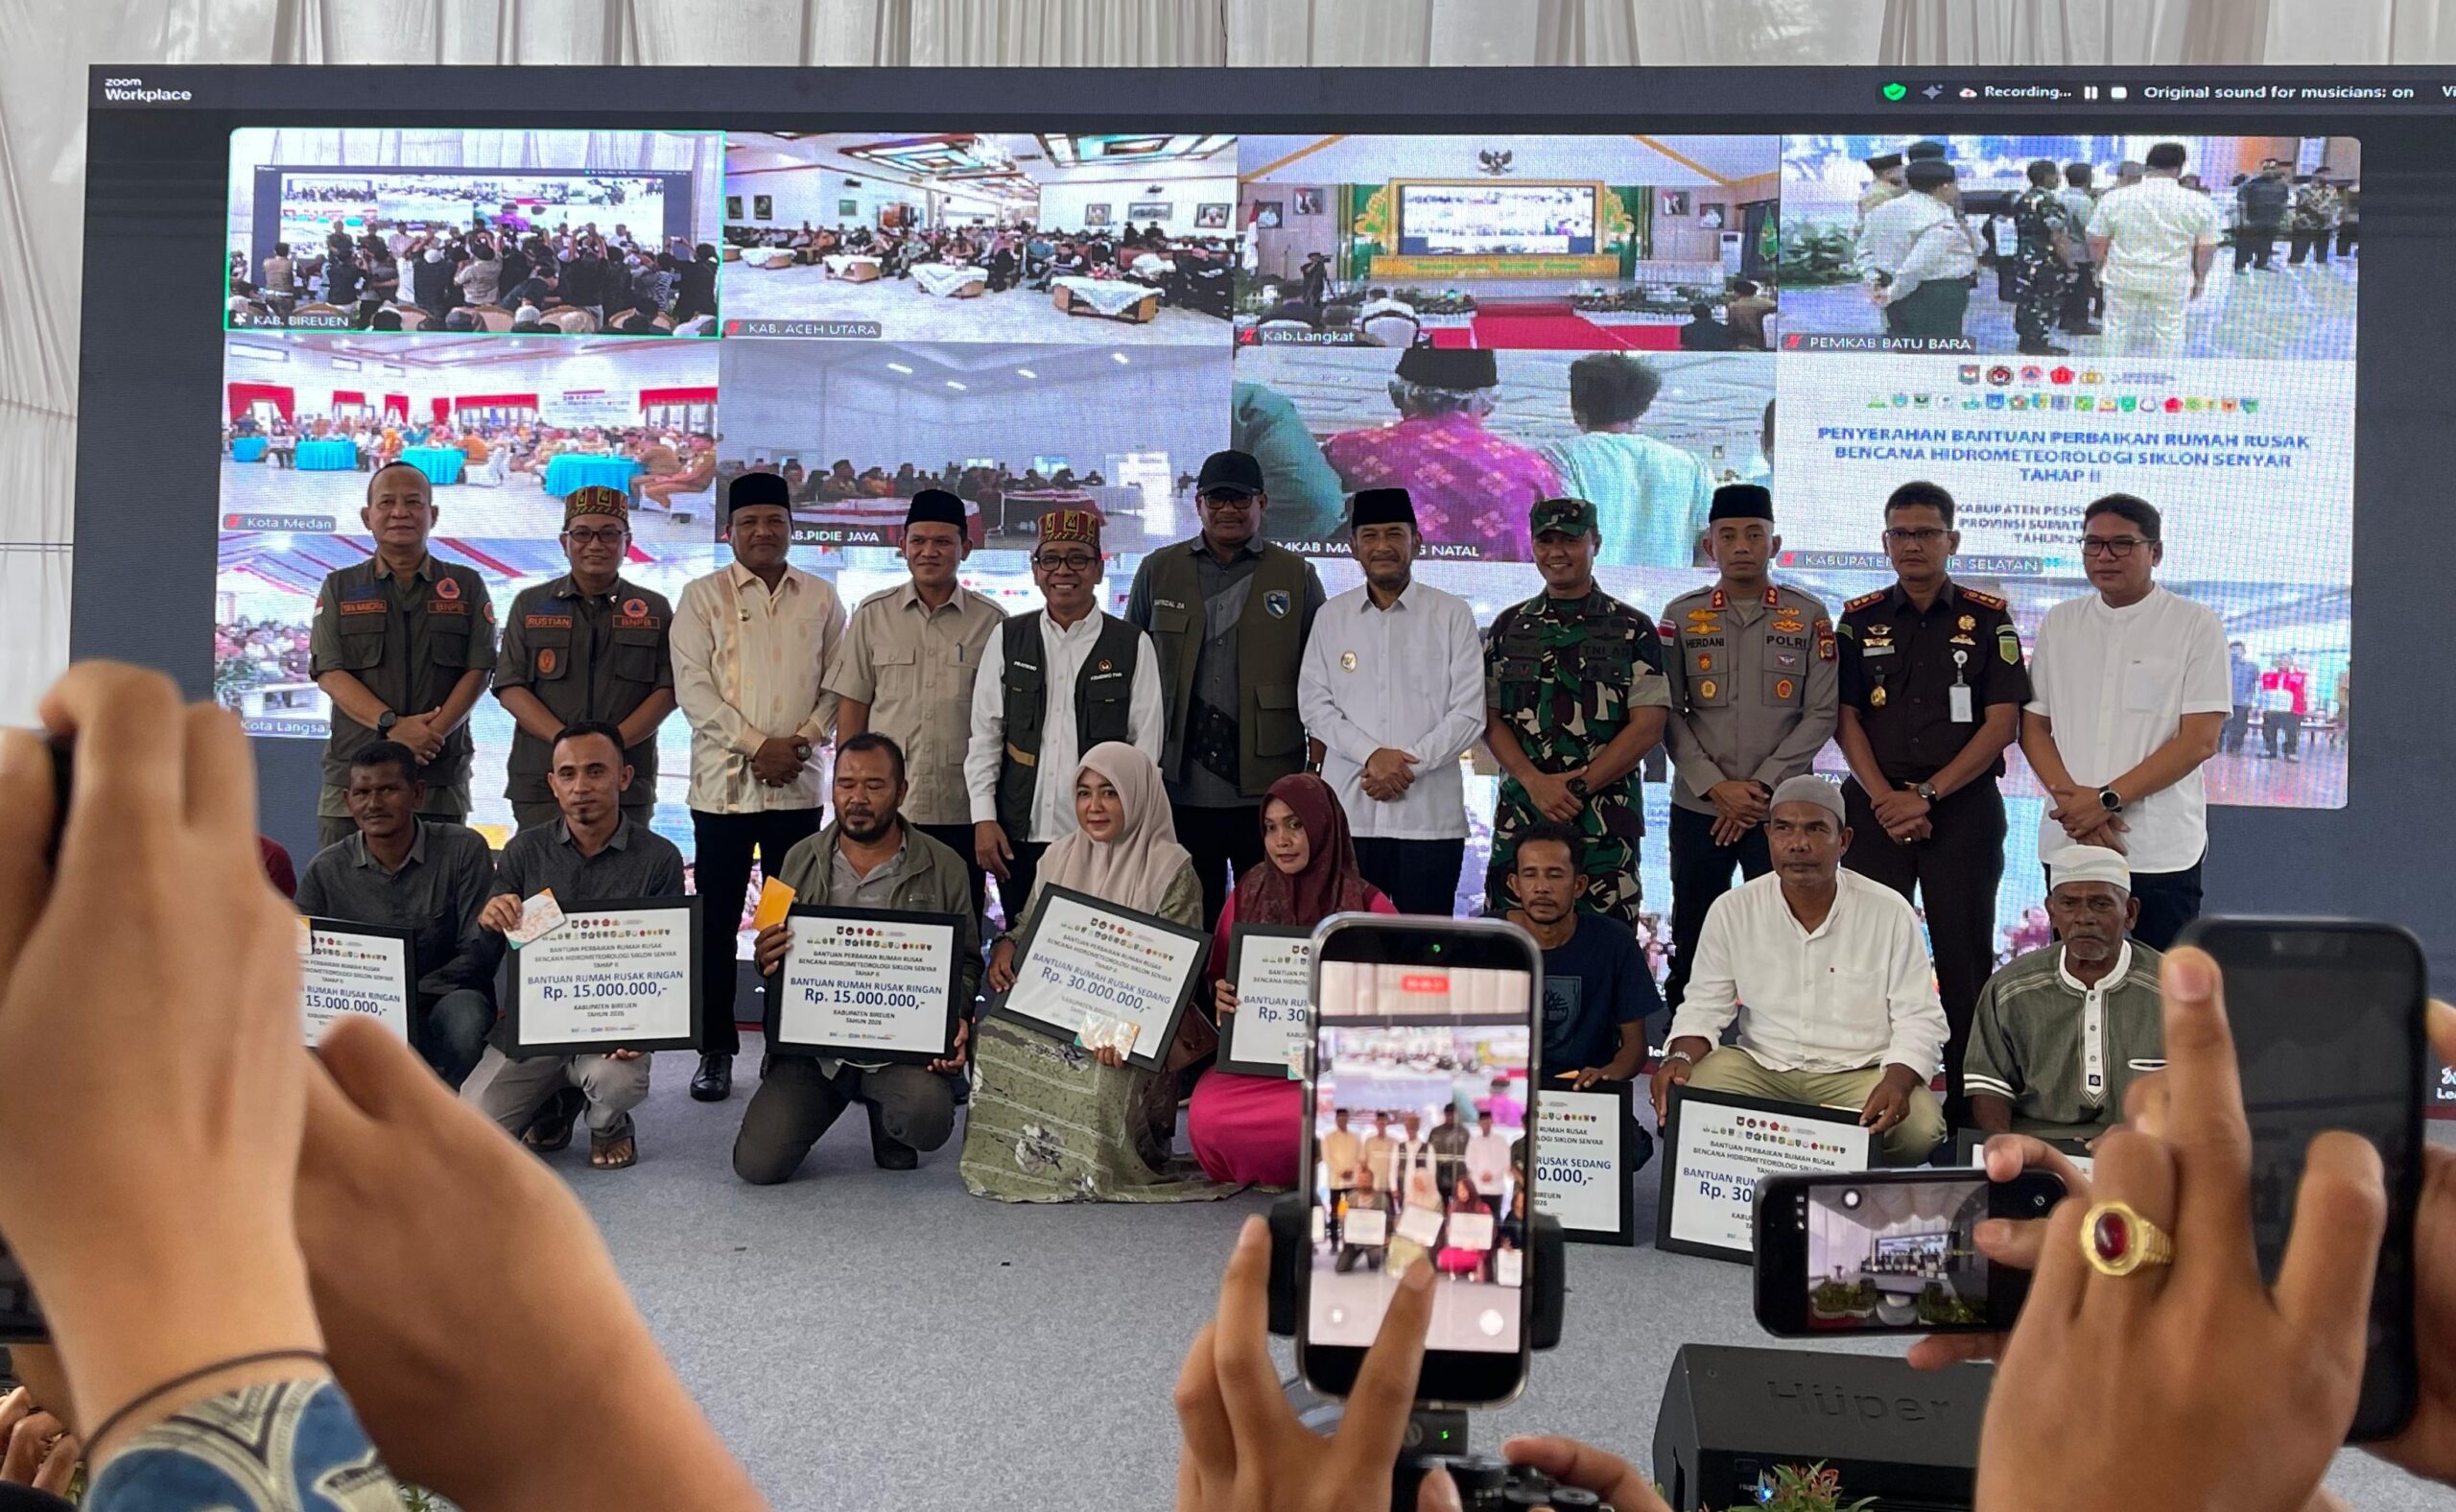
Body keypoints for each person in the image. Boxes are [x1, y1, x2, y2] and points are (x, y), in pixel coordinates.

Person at [961, 744, 1239, 1203]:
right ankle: (1021, 1164)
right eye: (1084, 793)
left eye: (1110, 792)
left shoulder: (1172, 869)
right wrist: (1008, 943)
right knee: (993, 1037)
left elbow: (1176, 974)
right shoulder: (1058, 856)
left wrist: (1125, 1028)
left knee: (1106, 1070)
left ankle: (1095, 1167)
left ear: (1137, 794)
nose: (1094, 806)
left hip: (1138, 1025)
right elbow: (1031, 924)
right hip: (1065, 1008)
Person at [1833, 481, 2028, 1119]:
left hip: (1962, 809)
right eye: (1900, 533)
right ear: (1885, 541)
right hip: (1873, 810)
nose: (1912, 545)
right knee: (1865, 960)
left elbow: (2002, 723)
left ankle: (1969, 1113)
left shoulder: (1988, 618)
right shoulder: (1858, 619)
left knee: (1963, 959)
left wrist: (1925, 795)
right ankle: (1864, 1100)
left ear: (1952, 540)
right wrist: (1886, 799)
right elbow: (1844, 719)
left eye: (1925, 533)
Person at [1653, 776, 1948, 1167]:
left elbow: (1919, 1018)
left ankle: (1833, 1178)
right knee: (1686, 1098)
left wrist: (1897, 1080)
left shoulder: (1889, 911)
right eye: (1784, 829)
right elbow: (1704, 1006)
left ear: (1844, 841)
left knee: (1919, 1130)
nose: (1798, 844)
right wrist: (1678, 1057)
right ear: (1768, 837)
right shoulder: (1733, 909)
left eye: (1816, 829)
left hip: (1859, 1072)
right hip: (1762, 1067)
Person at [671, 471, 846, 1102]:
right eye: (749, 522)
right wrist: (757, 746)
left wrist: (799, 744)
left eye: (774, 521)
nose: (763, 532)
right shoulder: (701, 597)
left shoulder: (821, 597)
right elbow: (693, 690)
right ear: (730, 532)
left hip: (794, 796)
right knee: (717, 925)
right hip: (722, 796)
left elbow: (839, 682)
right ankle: (716, 1050)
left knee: (785, 922)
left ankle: (783, 1046)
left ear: (792, 528)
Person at [734, 734, 980, 1183]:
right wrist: (766, 958)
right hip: (815, 1055)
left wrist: (956, 1016)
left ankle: (887, 1117)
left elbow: (965, 963)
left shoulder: (945, 866)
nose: (858, 798)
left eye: (874, 785)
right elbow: (765, 950)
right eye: (846, 784)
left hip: (900, 1050)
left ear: (901, 791)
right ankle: (834, 1097)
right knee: (758, 1167)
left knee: (926, 1119)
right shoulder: (796, 858)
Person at [461, 723, 687, 1170]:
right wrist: (490, 919)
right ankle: (554, 1105)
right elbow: (488, 943)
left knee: (616, 1083)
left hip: (613, 1028)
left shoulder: (658, 857)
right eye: (568, 774)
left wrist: (643, 1030)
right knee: (471, 1126)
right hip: (535, 1028)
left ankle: (609, 1125)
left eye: (595, 771)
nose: (580, 786)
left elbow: (670, 961)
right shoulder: (523, 851)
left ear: (624, 777)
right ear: (553, 784)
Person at [1126, 449, 1328, 929]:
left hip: (1267, 788)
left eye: (1240, 499)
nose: (1228, 510)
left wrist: (1315, 769)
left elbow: (1322, 675)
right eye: (1216, 499)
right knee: (1185, 919)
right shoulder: (1158, 569)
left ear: (1262, 503)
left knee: (1271, 915)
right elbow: (1132, 665)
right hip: (1177, 784)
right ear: (1198, 504)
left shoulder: (1296, 574)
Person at [2019, 494, 2229, 949]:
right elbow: (2034, 727)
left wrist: (2106, 801)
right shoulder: (2061, 623)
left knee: (2159, 979)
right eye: (2093, 544)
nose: (2105, 556)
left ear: (2155, 552)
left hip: (2158, 846)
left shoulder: (2195, 624)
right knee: (2074, 974)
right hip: (2071, 840)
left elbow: (2200, 739)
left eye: (2121, 544)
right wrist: (2077, 807)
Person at [1660, 484, 1838, 1010]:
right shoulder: (1682, 615)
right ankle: (1686, 1038)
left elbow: (1821, 713)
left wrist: (1758, 790)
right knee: (1694, 933)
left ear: (1774, 544)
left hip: (1781, 813)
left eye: (1755, 535)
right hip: (1701, 808)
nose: (1742, 546)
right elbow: (1666, 710)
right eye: (1729, 535)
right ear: (1709, 545)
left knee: (1784, 933)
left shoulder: (1808, 615)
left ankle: (1782, 1038)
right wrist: (1717, 788)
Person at [1186, 774, 1395, 1187]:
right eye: (1270, 827)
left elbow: (1401, 1002)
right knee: (1208, 1116)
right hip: (1262, 1066)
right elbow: (1222, 976)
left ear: (1322, 825)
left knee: (1364, 1113)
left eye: (1295, 825)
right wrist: (1223, 996)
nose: (1282, 840)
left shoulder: (1368, 905)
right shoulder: (1248, 892)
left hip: (1342, 1068)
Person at [965, 509, 1165, 931]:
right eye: (1050, 559)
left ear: (1098, 569)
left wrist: (1129, 834)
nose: (1063, 571)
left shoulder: (1131, 644)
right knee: (1020, 948)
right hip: (1017, 836)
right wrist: (984, 817)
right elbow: (985, 735)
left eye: (1077, 558)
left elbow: (1145, 751)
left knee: (1091, 948)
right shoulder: (1009, 637)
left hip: (1101, 841)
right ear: (1035, 569)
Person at [1483, 497, 1670, 933]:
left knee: (1607, 943)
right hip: (1524, 817)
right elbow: (1490, 720)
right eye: (1545, 541)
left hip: (1604, 822)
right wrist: (1534, 783)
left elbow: (1648, 726)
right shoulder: (1509, 627)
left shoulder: (1633, 628)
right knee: (1513, 944)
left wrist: (1577, 787)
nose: (1556, 552)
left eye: (1569, 540)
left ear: (1595, 543)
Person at [1296, 487, 1484, 916]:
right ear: (1353, 546)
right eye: (1370, 535)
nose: (1383, 546)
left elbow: (1469, 713)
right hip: (1350, 817)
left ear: (1417, 542)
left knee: (1425, 944)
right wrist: (1372, 756)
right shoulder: (1331, 617)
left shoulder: (1451, 614)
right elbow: (1314, 705)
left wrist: (1404, 768)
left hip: (1430, 821)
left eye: (1395, 534)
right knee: (1352, 942)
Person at [824, 488, 1004, 927]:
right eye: (919, 541)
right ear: (902, 545)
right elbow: (853, 709)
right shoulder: (873, 615)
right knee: (880, 923)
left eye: (943, 542)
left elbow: (1001, 723)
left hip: (960, 807)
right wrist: (849, 794)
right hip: (887, 809)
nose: (929, 552)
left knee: (956, 927)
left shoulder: (992, 622)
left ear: (966, 548)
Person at [307, 461, 496, 850]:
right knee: (342, 882)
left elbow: (479, 669)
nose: (400, 512)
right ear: (367, 517)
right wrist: (392, 725)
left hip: (437, 775)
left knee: (441, 881)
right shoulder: (340, 587)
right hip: (355, 779)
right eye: (387, 502)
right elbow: (329, 670)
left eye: (413, 502)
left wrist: (429, 735)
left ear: (433, 515)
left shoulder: (465, 585)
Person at [292, 742, 501, 1089]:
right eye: (362, 793)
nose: (374, 804)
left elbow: (479, 952)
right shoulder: (325, 870)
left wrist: (405, 996)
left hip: (442, 998)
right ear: (347, 801)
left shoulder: (463, 850)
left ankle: (452, 1114)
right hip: (360, 1007)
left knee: (467, 1017)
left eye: (388, 790)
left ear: (417, 794)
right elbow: (301, 959)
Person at [491, 486, 674, 833]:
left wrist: (608, 750)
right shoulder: (530, 604)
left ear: (627, 542)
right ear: (565, 542)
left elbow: (667, 691)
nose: (595, 544)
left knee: (622, 867)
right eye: (582, 534)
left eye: (609, 534)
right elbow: (510, 685)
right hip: (543, 780)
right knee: (542, 868)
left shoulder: (654, 609)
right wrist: (569, 748)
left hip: (624, 781)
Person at [1964, 847, 2162, 1143]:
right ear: (2052, 912)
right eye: (2069, 904)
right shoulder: (2010, 988)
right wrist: (2006, 1150)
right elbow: (1989, 1088)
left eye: (2101, 904)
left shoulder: (2172, 989)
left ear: (2130, 913)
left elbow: (2202, 1093)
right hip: (2035, 1144)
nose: (2084, 918)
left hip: (2142, 1145)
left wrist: (2141, 1135)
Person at [1319, 345, 1560, 561]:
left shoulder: (1347, 450)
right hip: (1500, 594)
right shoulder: (1533, 468)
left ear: (1398, 395)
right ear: (1488, 403)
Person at [1505, 822, 1656, 1099]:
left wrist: (1607, 1075)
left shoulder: (1614, 941)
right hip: (1505, 1092)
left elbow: (1635, 1049)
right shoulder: (1490, 939)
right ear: (1515, 885)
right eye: (1530, 875)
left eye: (1555, 875)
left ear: (1579, 885)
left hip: (1585, 1091)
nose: (1542, 888)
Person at [1536, 353, 1714, 569]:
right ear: (1639, 411)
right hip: (1670, 588)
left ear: (1576, 410)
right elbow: (1711, 548)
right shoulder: (1692, 466)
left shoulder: (1558, 457)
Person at [2089, 141, 2221, 360]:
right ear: (2180, 168)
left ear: (2148, 165)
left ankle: (2111, 374)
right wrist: (2200, 278)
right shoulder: (2199, 202)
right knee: (2170, 331)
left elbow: (2096, 240)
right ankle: (2167, 376)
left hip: (2122, 274)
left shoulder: (2115, 198)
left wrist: (2098, 266)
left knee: (2116, 327)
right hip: (2172, 277)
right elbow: (2207, 248)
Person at [1861, 157, 1976, 342]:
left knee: (1903, 344)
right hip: (1934, 295)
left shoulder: (1881, 211)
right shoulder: (1937, 218)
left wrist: (1873, 280)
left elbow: (1864, 249)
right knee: (1939, 350)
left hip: (1893, 286)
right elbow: (1916, 266)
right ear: (1945, 187)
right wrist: (1891, 293)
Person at [2011, 159, 2076, 356]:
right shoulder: (2049, 202)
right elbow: (2057, 236)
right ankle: (2039, 343)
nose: (2058, 178)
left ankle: (2026, 340)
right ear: (2046, 177)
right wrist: (2070, 263)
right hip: (2045, 260)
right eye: (2055, 174)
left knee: (2027, 300)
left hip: (2024, 259)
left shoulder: (2022, 199)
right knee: (2044, 302)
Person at [2057, 161, 2107, 335]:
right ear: (2087, 179)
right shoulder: (2083, 202)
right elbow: (2090, 228)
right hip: (2080, 251)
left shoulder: (2060, 197)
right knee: (2081, 289)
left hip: (2063, 249)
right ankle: (2079, 323)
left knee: (2067, 289)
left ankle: (2065, 319)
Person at [2233, 158, 2290, 273]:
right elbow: (2242, 204)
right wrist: (2244, 219)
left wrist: (2283, 219)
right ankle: (2240, 266)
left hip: (2271, 220)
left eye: (2272, 168)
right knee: (2245, 244)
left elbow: (2283, 204)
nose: (2268, 171)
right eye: (2265, 168)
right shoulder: (2249, 184)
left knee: (2267, 243)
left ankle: (2262, 263)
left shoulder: (2282, 186)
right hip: (2252, 220)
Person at [2260, 653, 2310, 762]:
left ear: (2290, 662)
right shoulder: (2268, 675)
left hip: (2293, 709)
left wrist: (2307, 706)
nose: (2283, 663)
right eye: (2281, 661)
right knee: (2269, 729)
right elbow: (2263, 691)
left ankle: (2290, 752)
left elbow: (2306, 691)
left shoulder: (2299, 676)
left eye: (2286, 661)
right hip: (2272, 708)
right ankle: (2270, 750)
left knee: (2292, 731)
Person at [2289, 167, 2343, 266]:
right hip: (2305, 225)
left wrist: (2332, 218)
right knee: (2297, 257)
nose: (2327, 177)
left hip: (2324, 226)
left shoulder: (2331, 189)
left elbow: (2334, 204)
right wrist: (2322, 212)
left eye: (2329, 174)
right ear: (2316, 175)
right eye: (2325, 174)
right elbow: (2307, 204)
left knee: (2321, 258)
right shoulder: (2305, 189)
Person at [1853, 151, 1906, 240]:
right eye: (1901, 169)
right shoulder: (1880, 195)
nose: (1904, 172)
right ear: (1888, 174)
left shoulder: (1878, 189)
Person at [2224, 639, 2261, 754]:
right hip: (2226, 702)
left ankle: (2236, 747)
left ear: (2244, 652)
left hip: (2243, 702)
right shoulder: (2223, 666)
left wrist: (2255, 703)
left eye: (2238, 650)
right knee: (2226, 726)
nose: (2235, 652)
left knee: (2240, 726)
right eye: (2232, 650)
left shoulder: (2252, 667)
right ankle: (2226, 746)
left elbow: (2258, 685)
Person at [1723, 277, 1777, 349]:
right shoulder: (1769, 303)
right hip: (1768, 340)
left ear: (1737, 293)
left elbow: (1732, 327)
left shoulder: (1734, 306)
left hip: (1744, 342)